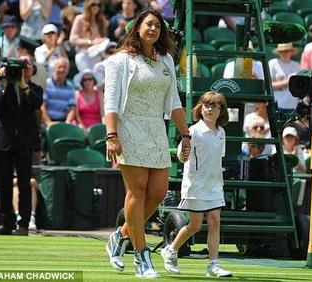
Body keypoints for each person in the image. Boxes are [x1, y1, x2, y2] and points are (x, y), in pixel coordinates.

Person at [104, 11, 190, 278]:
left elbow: (174, 102)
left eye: (158, 26)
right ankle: (142, 259)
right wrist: (111, 135)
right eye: (149, 24)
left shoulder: (165, 60)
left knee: (158, 192)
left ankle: (120, 235)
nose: (154, 28)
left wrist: (186, 133)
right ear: (137, 28)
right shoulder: (119, 61)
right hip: (128, 129)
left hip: (156, 130)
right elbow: (111, 101)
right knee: (137, 191)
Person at [160, 91, 232, 278]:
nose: (210, 109)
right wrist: (183, 154)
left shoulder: (222, 133)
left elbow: (217, 159)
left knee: (215, 221)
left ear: (221, 111)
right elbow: (181, 153)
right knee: (195, 226)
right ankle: (171, 250)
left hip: (215, 185)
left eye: (214, 106)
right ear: (200, 109)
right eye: (206, 105)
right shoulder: (192, 131)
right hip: (195, 185)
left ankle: (213, 264)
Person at [0, 54, 42, 236]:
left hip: (24, 142)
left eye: (27, 64)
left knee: (24, 183)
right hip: (4, 141)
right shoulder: (4, 87)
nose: (24, 67)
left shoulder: (34, 88)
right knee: (3, 182)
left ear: (32, 69)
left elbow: (37, 103)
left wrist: (23, 85)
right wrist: (2, 84)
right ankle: (5, 222)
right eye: (21, 64)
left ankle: (24, 223)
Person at [268, 42, 300, 113]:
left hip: (292, 105)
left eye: (286, 51)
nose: (284, 53)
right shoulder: (273, 63)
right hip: (276, 104)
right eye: (281, 51)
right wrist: (286, 81)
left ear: (291, 52)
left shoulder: (296, 65)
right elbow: (268, 86)